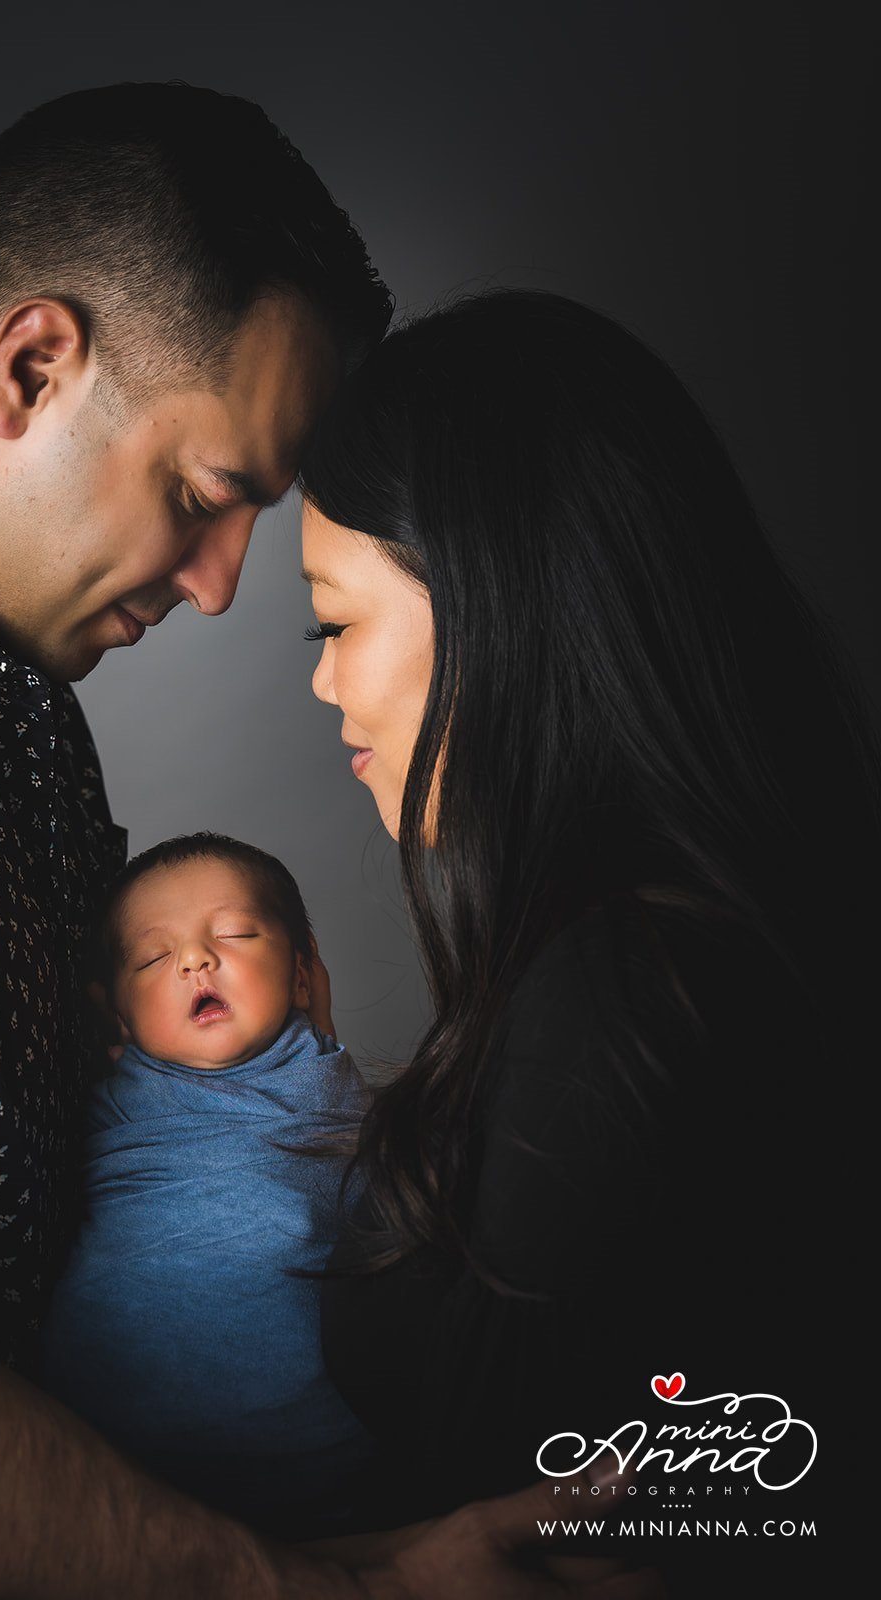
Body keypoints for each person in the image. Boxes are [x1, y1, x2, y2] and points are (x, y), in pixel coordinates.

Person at [0, 82, 659, 1600]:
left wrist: (373, 1553)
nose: (224, 586)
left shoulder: (19, 706)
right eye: (203, 494)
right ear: (33, 365)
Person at [296, 289, 877, 1594]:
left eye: (335, 624)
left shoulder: (616, 999)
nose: (324, 684)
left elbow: (508, 1540)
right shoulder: (674, 948)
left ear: (493, 605)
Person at [41, 833, 373, 1537]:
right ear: (119, 1017)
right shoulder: (113, 1097)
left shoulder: (329, 1085)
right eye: (156, 956)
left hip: (326, 1475)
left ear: (305, 972)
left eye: (235, 933)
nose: (196, 958)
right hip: (124, 1477)